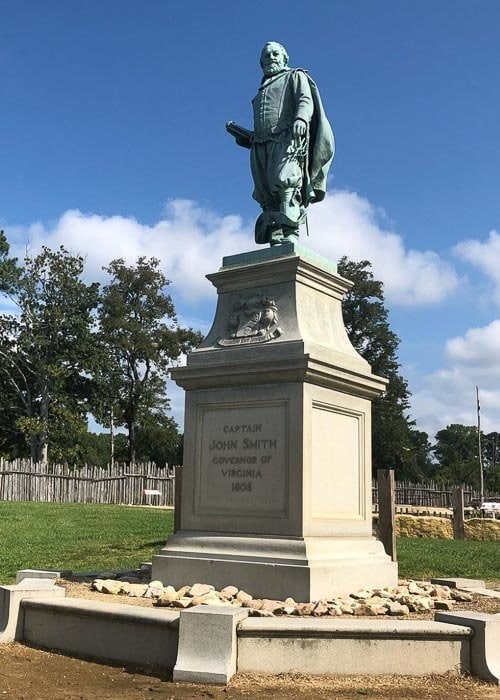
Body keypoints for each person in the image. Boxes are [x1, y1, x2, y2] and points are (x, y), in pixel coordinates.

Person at [227, 42, 334, 246]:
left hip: (287, 138)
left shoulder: (295, 76)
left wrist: (301, 119)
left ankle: (290, 233)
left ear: (285, 58)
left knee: (286, 182)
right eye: (266, 55)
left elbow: (305, 99)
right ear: (261, 62)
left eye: (276, 54)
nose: (271, 58)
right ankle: (275, 235)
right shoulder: (261, 89)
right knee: (265, 191)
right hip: (260, 144)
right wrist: (245, 137)